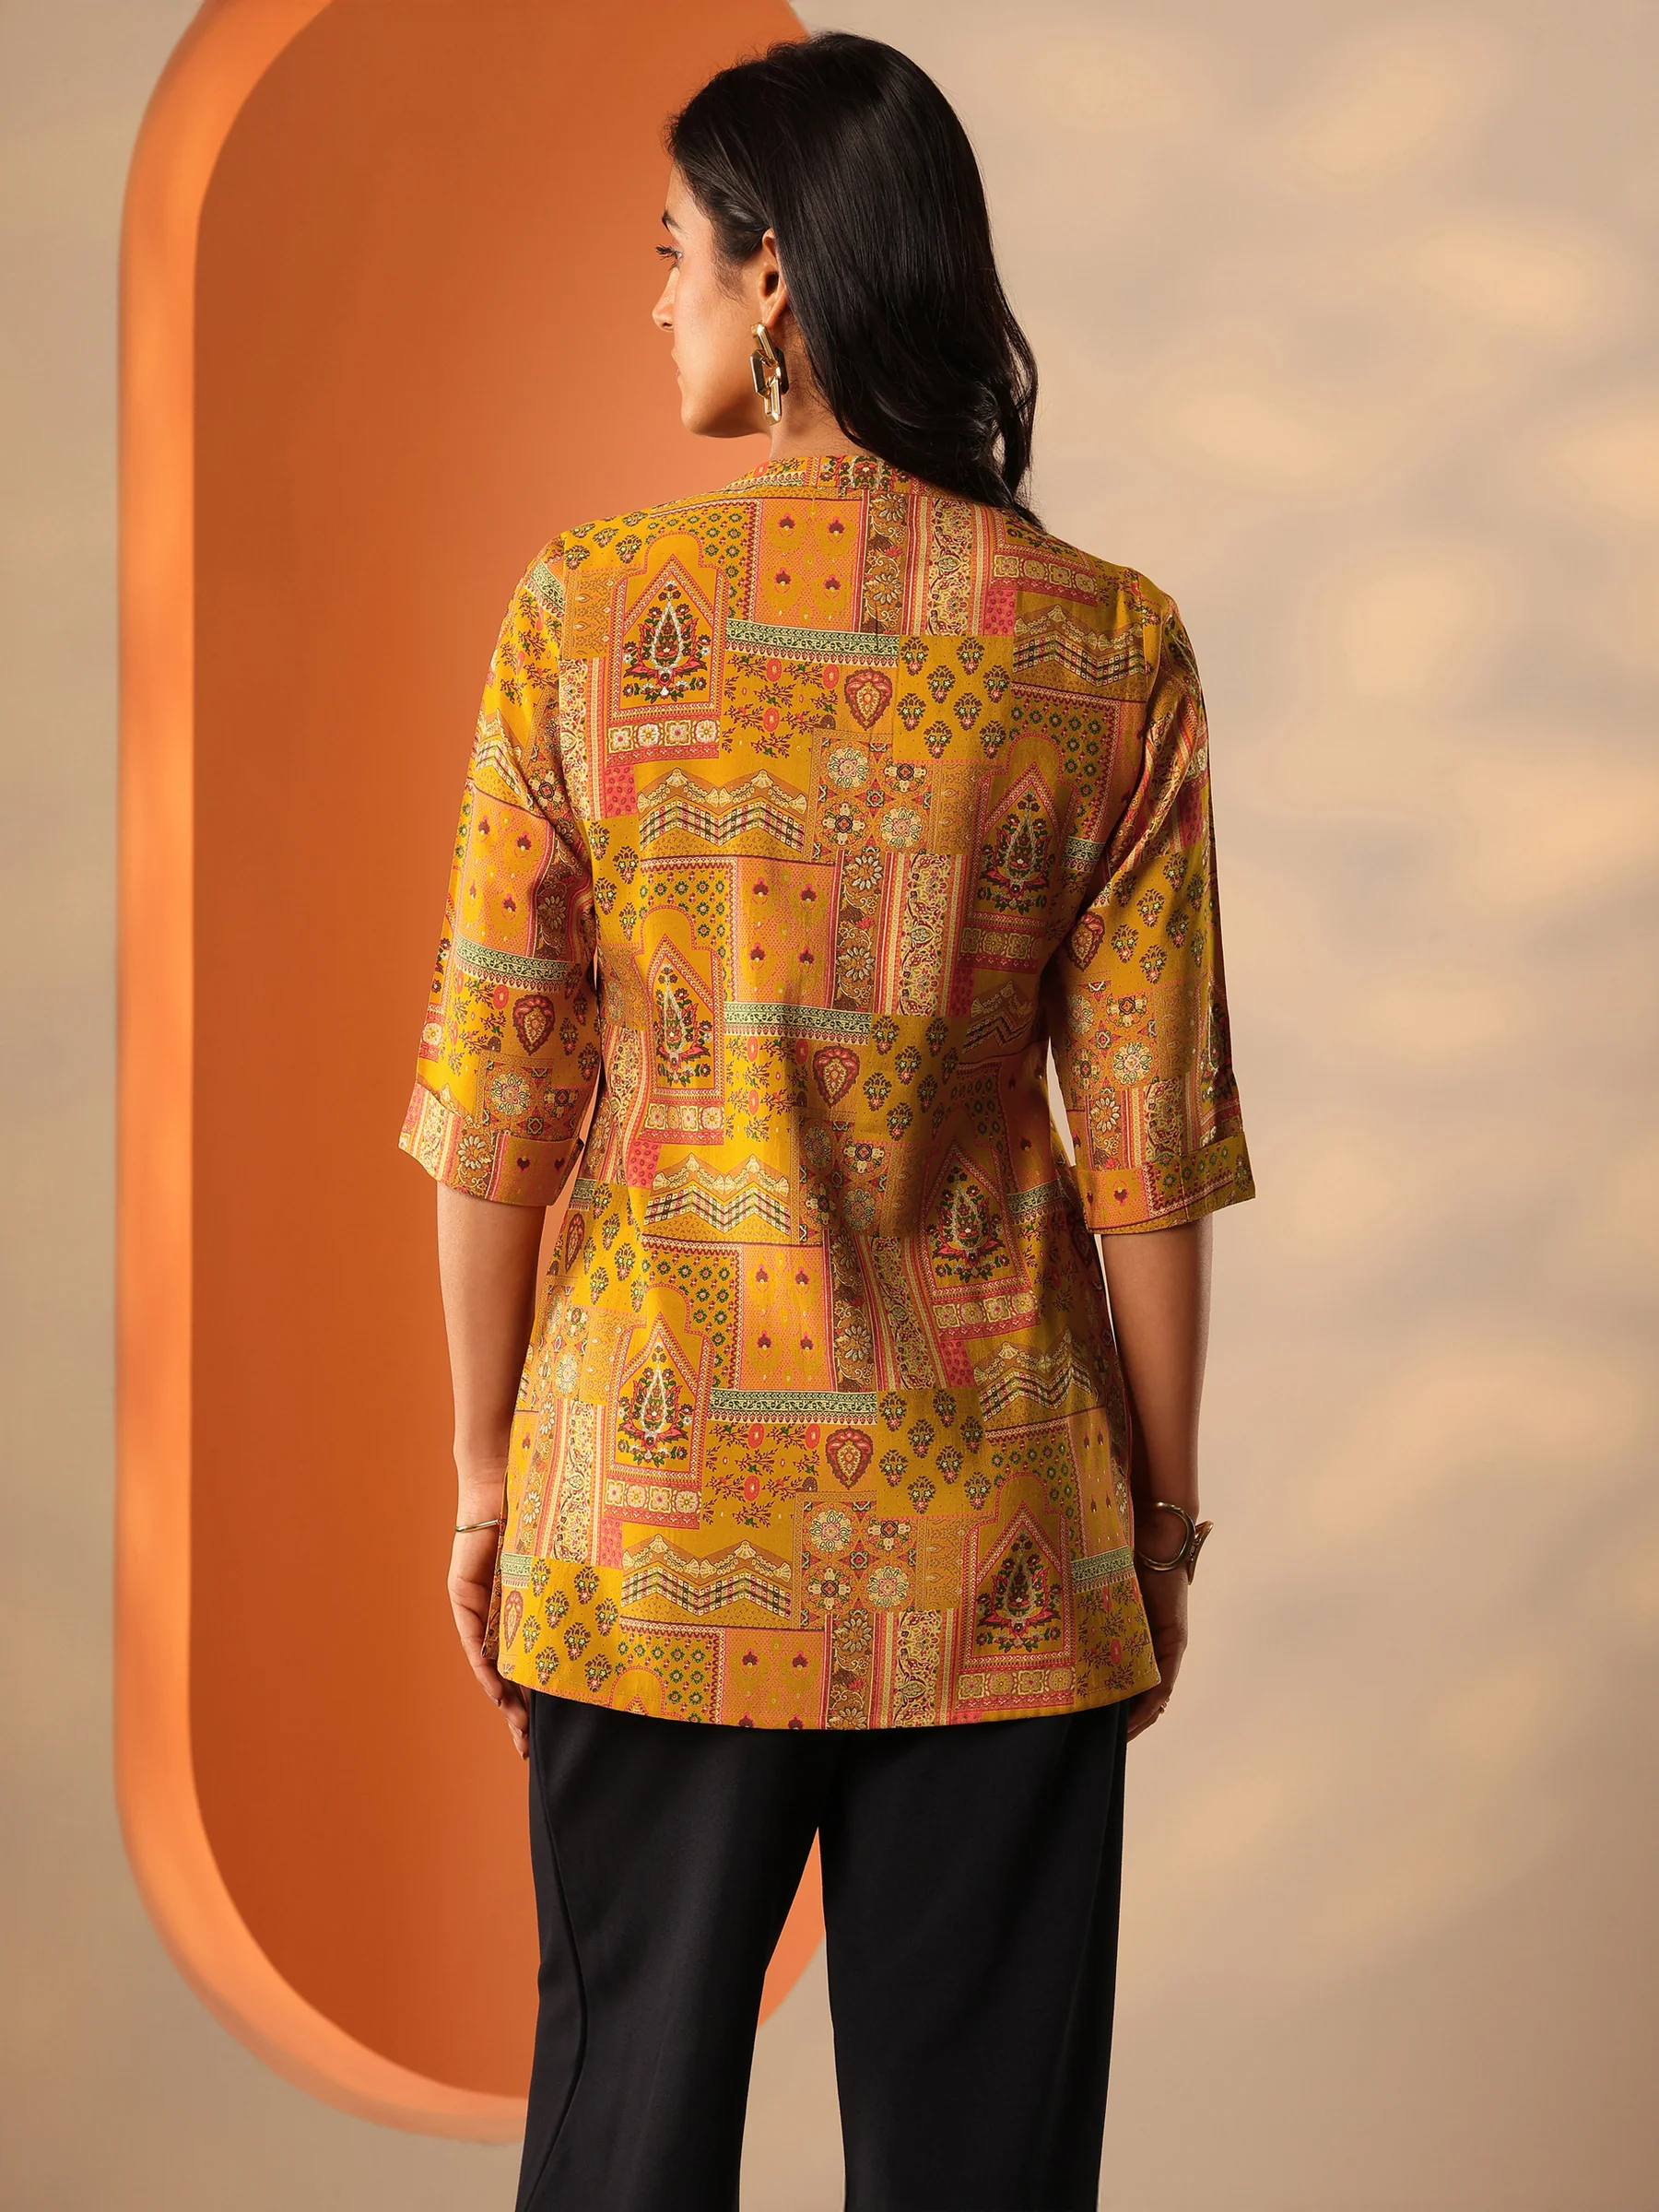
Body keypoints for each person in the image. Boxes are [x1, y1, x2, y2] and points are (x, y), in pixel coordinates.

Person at [399, 30, 1253, 2212]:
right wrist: (1156, 1529)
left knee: (620, 2154)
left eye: (672, 254)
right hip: (1002, 1554)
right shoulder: (1108, 651)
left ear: (773, 275)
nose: (655, 300)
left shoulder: (586, 620)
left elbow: (500, 1101)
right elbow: (1149, 1148)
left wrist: (488, 1478)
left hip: (652, 1530)